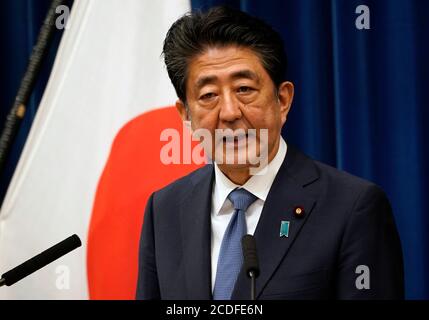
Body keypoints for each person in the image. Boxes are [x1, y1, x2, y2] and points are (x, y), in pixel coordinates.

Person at [136, 6, 404, 300]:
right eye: (208, 95)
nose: (229, 112)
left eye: (244, 89)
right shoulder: (165, 209)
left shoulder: (353, 208)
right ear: (186, 115)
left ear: (283, 100)